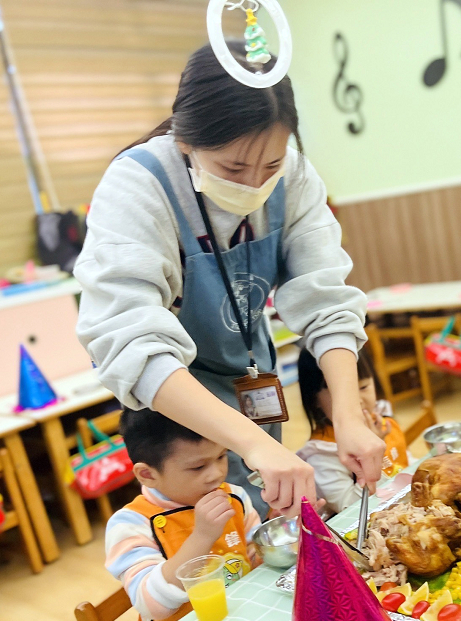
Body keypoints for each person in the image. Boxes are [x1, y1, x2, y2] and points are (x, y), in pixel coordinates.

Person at [74, 43, 384, 520]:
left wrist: (346, 414)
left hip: (250, 374)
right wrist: (249, 442)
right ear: (185, 139)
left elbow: (325, 300)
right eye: (233, 169)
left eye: (271, 166)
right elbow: (129, 339)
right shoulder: (138, 186)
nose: (254, 184)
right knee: (217, 528)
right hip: (175, 398)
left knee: (272, 509)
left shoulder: (295, 175)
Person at [105, 408, 261, 621]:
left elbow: (255, 554)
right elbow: (152, 605)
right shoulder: (130, 524)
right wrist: (202, 536)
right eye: (198, 467)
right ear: (147, 474)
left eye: (221, 456)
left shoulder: (235, 496)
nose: (217, 474)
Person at [295, 348, 408, 514]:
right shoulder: (321, 455)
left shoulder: (381, 421)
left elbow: (406, 462)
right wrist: (370, 458)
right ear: (314, 400)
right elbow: (349, 510)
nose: (356, 401)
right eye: (337, 394)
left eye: (363, 387)